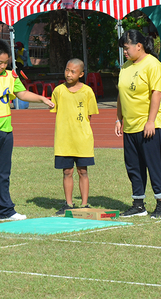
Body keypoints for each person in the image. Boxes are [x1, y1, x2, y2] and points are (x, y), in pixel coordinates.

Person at [0, 39, 54, 225]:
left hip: (5, 130)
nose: (3, 66)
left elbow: (21, 94)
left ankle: (6, 209)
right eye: (0, 62)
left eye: (6, 62)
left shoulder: (10, 76)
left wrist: (41, 98)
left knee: (3, 173)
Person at [115, 29, 161, 219]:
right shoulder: (125, 67)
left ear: (139, 46)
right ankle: (138, 204)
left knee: (155, 165)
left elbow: (156, 93)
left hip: (150, 125)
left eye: (127, 47)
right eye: (123, 48)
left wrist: (151, 121)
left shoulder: (153, 65)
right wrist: (119, 118)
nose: (125, 52)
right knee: (134, 166)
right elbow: (121, 93)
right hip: (130, 126)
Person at [51, 59, 99, 215]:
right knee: (67, 172)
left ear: (81, 74)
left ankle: (85, 204)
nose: (69, 74)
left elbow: (89, 115)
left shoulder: (87, 91)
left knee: (83, 171)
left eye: (73, 71)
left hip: (82, 139)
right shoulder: (58, 91)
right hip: (64, 139)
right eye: (67, 70)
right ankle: (68, 204)